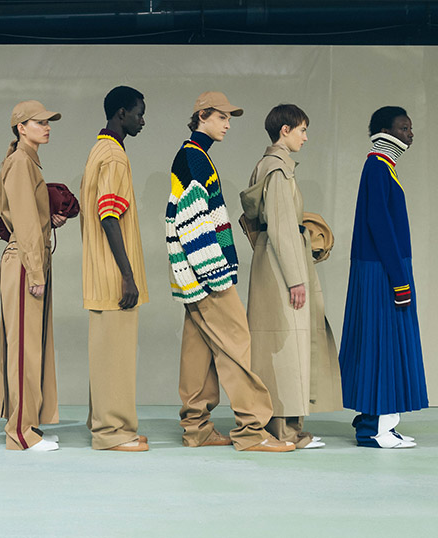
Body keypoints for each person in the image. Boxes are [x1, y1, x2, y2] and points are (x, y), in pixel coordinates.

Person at [165, 91, 294, 452]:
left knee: (197, 350)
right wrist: (214, 274)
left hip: (194, 276)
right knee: (237, 346)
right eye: (222, 117)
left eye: (229, 119)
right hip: (208, 274)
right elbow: (191, 221)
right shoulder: (194, 158)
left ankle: (197, 429)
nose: (227, 125)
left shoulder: (194, 155)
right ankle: (252, 431)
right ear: (202, 116)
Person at [240, 104, 342, 449]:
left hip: (270, 261)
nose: (305, 137)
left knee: (279, 346)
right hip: (282, 267)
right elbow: (283, 226)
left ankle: (289, 428)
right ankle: (285, 432)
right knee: (286, 348)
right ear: (285, 130)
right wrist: (296, 278)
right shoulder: (279, 169)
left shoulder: (266, 166)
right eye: (302, 130)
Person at [339, 106, 428, 448]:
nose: (410, 134)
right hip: (381, 270)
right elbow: (379, 223)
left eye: (410, 128)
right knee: (381, 344)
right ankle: (374, 430)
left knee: (380, 343)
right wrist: (399, 279)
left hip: (381, 267)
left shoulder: (382, 166)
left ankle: (378, 425)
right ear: (385, 131)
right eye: (404, 128)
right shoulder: (377, 166)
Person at [80, 86, 149, 452]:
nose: (142, 121)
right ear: (122, 113)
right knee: (116, 359)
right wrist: (127, 275)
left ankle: (104, 425)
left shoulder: (99, 149)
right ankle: (112, 433)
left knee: (107, 356)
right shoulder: (114, 156)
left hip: (100, 272)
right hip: (113, 278)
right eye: (139, 113)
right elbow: (109, 216)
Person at [0, 100, 64, 451]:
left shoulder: (27, 160)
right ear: (21, 127)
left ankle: (28, 425)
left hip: (29, 258)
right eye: (39, 122)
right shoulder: (21, 162)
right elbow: (22, 222)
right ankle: (21, 433)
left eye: (48, 122)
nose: (47, 127)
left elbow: (28, 215)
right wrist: (36, 271)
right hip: (25, 262)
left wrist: (49, 217)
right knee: (24, 349)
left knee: (31, 347)